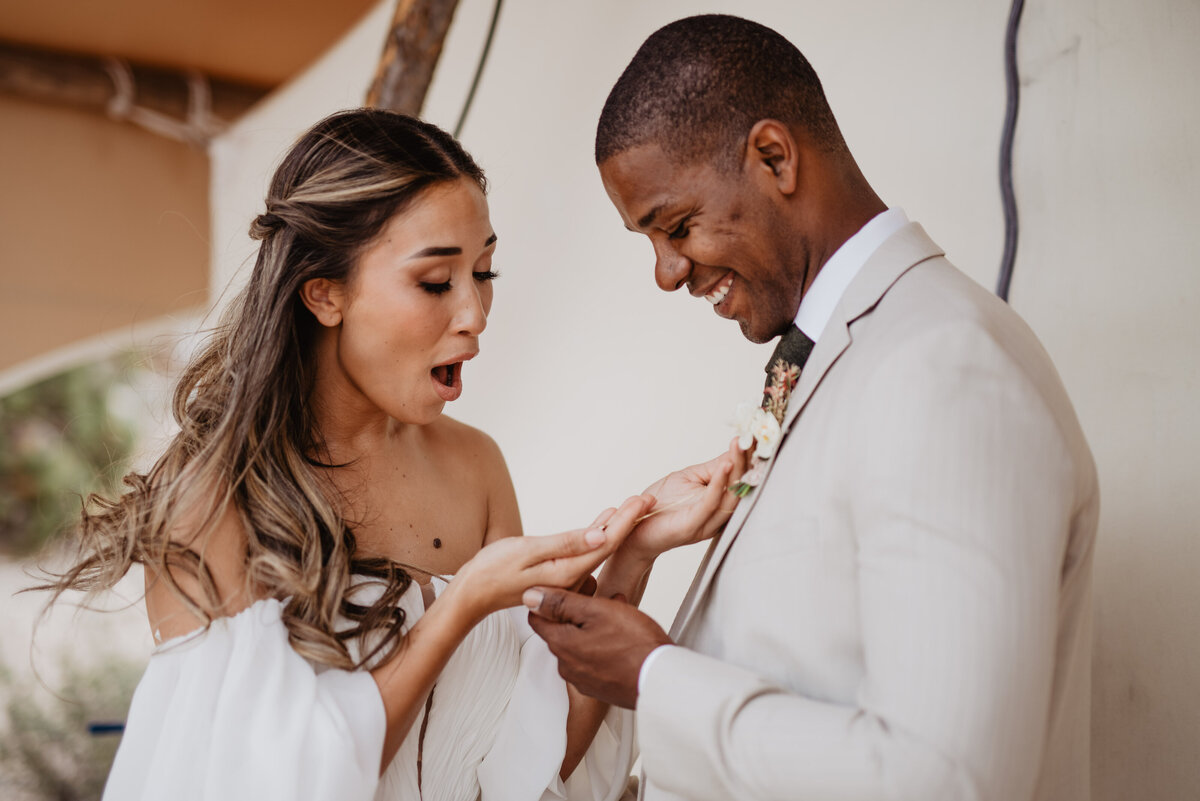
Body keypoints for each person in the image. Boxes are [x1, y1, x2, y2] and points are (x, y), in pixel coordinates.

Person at [40, 109, 736, 801]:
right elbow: (282, 782)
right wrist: (458, 604)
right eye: (436, 282)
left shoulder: (475, 466)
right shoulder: (211, 503)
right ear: (324, 293)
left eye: (485, 271)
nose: (475, 313)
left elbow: (535, 758)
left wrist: (633, 554)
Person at [525, 14, 1099, 801]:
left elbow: (946, 778)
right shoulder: (838, 354)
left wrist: (656, 676)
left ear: (773, 157)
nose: (664, 273)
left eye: (678, 225)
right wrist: (631, 571)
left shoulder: (944, 366)